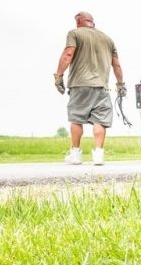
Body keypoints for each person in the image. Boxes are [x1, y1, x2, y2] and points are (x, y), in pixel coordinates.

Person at [53, 11, 126, 165]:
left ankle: (76, 155)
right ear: (92, 22)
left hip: (79, 85)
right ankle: (98, 155)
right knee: (100, 120)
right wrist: (121, 85)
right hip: (101, 87)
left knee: (76, 119)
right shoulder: (108, 39)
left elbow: (68, 54)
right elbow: (117, 65)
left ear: (79, 22)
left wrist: (59, 76)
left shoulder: (74, 33)